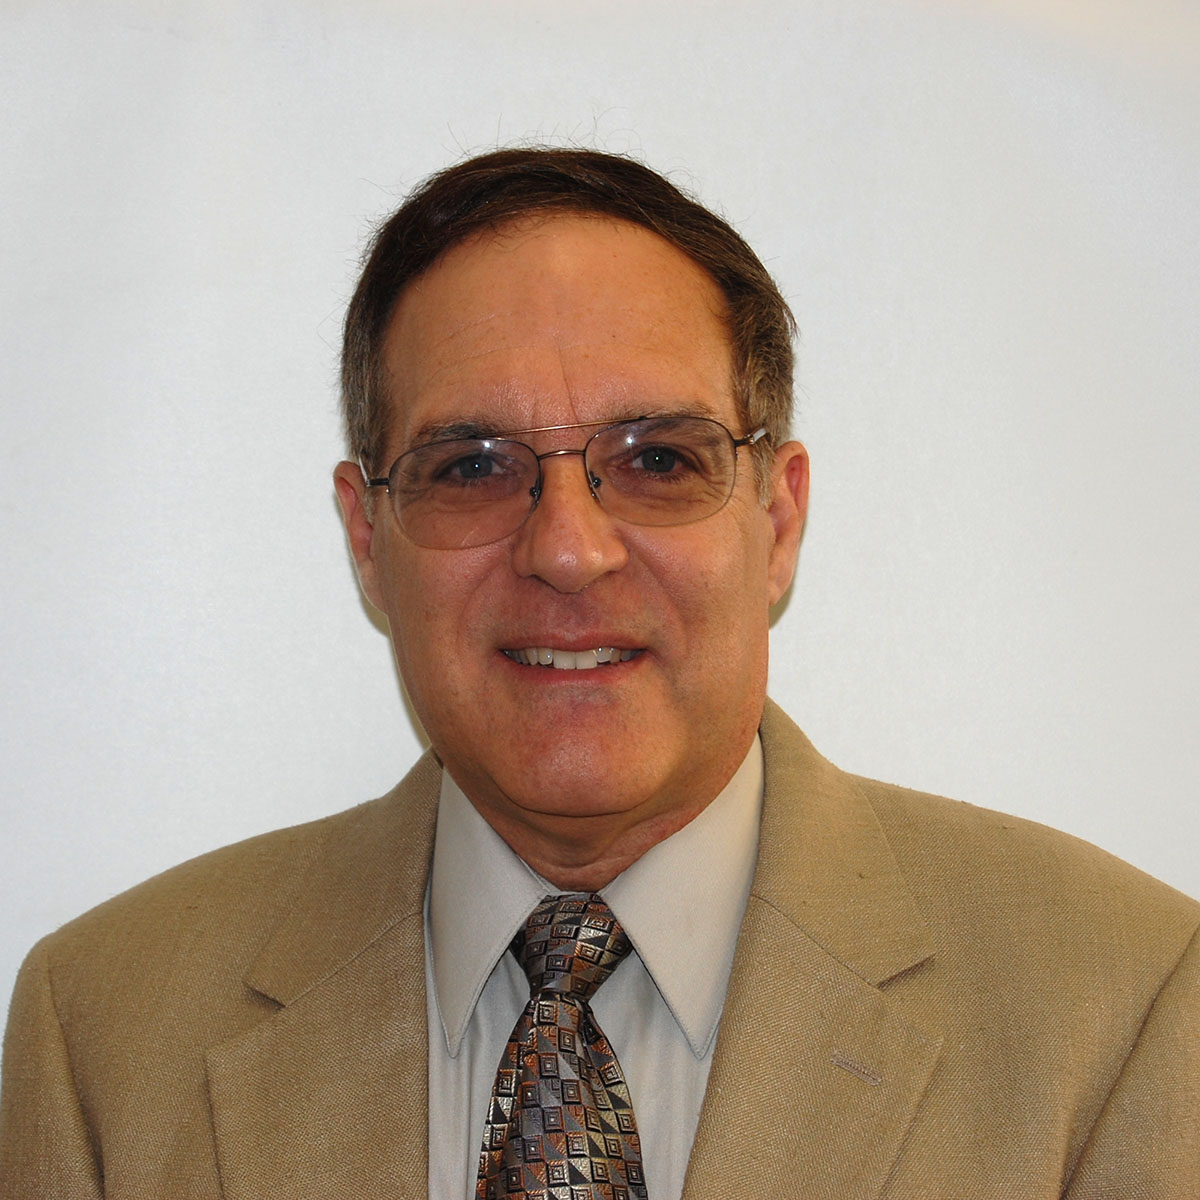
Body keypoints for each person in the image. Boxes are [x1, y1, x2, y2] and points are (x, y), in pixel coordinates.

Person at [1, 147, 1196, 1200]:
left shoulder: (1122, 1009)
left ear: (777, 522)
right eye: (472, 464)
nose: (568, 548)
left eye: (658, 458)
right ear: (368, 540)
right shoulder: (104, 1032)